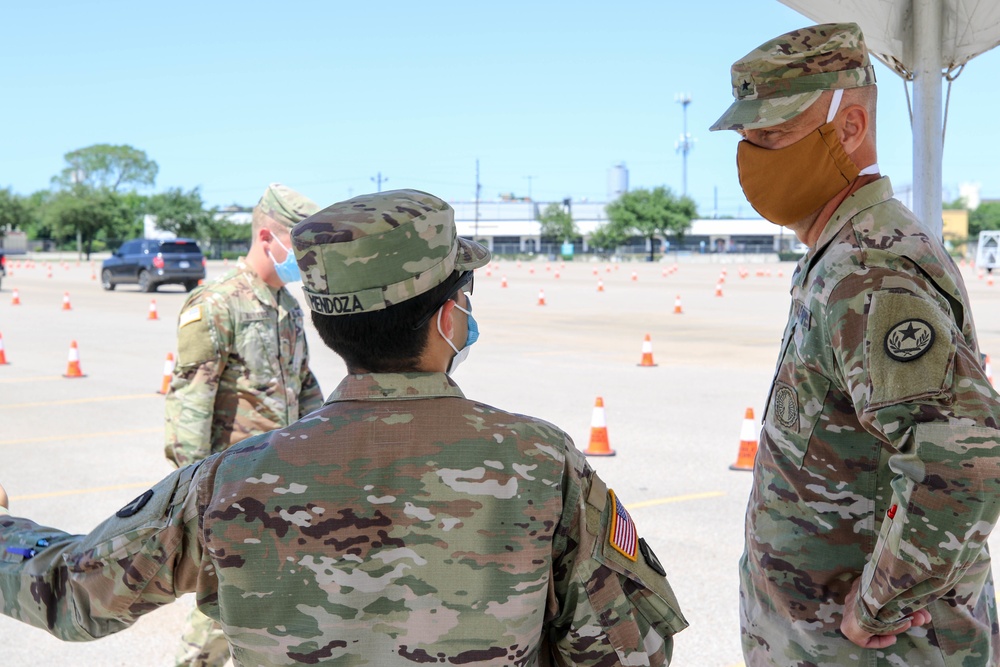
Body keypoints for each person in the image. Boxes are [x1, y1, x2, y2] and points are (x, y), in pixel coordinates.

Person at [0, 188, 687, 666]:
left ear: (326, 326)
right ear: (450, 319)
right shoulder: (543, 463)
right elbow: (631, 647)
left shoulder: (226, 482)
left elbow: (71, 590)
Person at [710, 22, 1000, 665]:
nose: (754, 156)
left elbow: (963, 461)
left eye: (774, 134)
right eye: (747, 138)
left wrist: (879, 605)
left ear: (850, 127)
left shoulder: (871, 269)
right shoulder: (843, 252)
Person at [164, 182, 325, 667]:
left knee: (280, 611)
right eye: (300, 250)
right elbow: (189, 411)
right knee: (222, 610)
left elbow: (307, 390)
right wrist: (195, 500)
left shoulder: (289, 309)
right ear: (266, 237)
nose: (306, 263)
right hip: (231, 491)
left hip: (288, 488)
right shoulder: (215, 305)